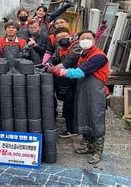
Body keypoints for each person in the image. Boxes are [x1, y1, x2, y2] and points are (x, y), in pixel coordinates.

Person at [45, 30, 109, 164]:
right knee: (84, 115)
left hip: (95, 92)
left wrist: (57, 70)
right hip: (83, 90)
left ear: (94, 40)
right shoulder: (83, 55)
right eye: (82, 38)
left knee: (95, 118)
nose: (85, 40)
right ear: (79, 41)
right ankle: (88, 145)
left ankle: (98, 152)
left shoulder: (99, 57)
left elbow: (80, 72)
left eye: (88, 38)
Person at [45, 27, 82, 137]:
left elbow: (70, 60)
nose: (62, 39)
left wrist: (54, 69)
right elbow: (54, 58)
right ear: (56, 40)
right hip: (65, 78)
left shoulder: (76, 45)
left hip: (76, 78)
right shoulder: (60, 48)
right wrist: (48, 63)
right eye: (59, 38)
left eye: (64, 36)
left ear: (69, 35)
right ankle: (70, 127)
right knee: (67, 103)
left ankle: (73, 129)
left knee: (71, 104)